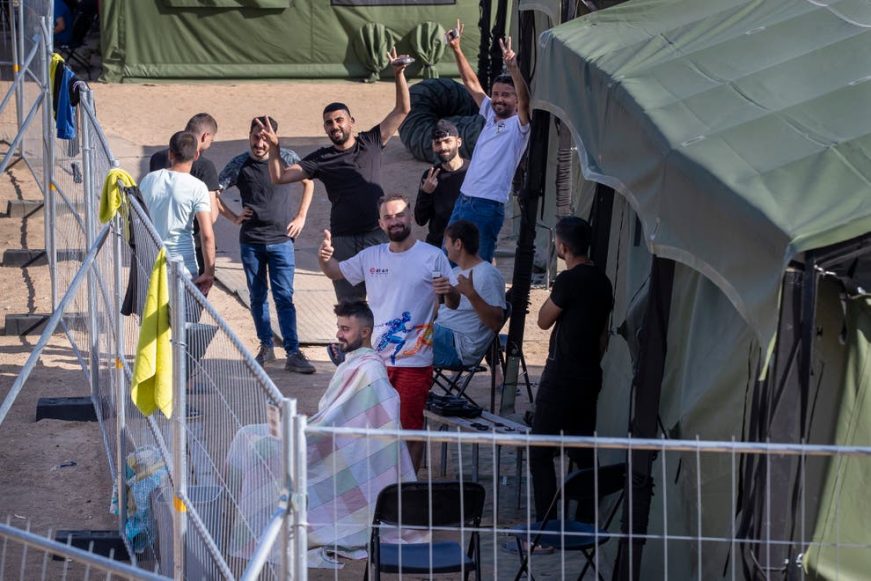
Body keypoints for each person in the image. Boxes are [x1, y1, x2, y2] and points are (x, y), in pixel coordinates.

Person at [226, 300, 416, 554]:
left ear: (365, 332)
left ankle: (262, 525)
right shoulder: (355, 362)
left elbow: (377, 417)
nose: (339, 334)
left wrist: (314, 425)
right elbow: (340, 409)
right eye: (339, 327)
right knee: (248, 434)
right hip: (325, 431)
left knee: (259, 443)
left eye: (346, 328)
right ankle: (249, 516)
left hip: (341, 446)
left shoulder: (370, 369)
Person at [257, 49, 412, 302]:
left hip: (377, 234)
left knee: (384, 299)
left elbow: (403, 109)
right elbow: (280, 177)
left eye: (339, 120)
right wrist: (274, 148)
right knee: (350, 306)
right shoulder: (321, 158)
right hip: (343, 239)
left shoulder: (371, 141)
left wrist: (398, 73)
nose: (335, 126)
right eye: (329, 123)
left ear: (351, 120)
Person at [318, 194, 459, 469]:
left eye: (400, 215)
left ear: (409, 217)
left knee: (409, 429)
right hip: (374, 361)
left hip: (414, 362)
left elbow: (452, 302)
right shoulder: (371, 256)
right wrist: (324, 257)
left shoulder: (433, 256)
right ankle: (378, 485)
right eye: (388, 217)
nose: (395, 221)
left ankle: (407, 490)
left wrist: (450, 292)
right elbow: (335, 272)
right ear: (380, 224)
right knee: (371, 425)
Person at [530, 216, 614, 523]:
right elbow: (603, 337)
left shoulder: (569, 280)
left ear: (563, 247)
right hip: (589, 375)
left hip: (562, 377)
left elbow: (542, 319)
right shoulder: (603, 281)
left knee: (540, 452)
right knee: (583, 451)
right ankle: (586, 522)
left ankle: (548, 528)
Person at [217, 116, 315, 374]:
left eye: (265, 137)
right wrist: (232, 216)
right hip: (252, 243)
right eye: (255, 136)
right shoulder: (239, 164)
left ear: (273, 136)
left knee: (284, 297)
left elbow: (309, 182)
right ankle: (266, 346)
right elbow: (214, 191)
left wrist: (301, 216)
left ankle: (293, 352)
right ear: (249, 135)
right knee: (257, 297)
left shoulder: (287, 157)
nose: (260, 142)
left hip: (282, 241)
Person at [445, 21, 531, 262]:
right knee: (448, 260)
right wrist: (456, 48)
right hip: (464, 199)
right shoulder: (490, 115)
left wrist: (513, 68)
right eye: (495, 94)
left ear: (515, 99)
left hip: (487, 206)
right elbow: (472, 84)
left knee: (477, 266)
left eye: (506, 95)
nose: (498, 99)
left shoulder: (519, 126)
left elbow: (526, 102)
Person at [139, 131, 216, 295]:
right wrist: (209, 272)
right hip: (184, 266)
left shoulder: (148, 180)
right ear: (196, 155)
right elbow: (207, 234)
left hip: (150, 263)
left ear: (170, 154)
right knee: (185, 320)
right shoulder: (197, 187)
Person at [149, 113, 221, 276]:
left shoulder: (157, 159)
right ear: (205, 136)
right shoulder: (205, 167)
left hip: (155, 245)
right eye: (211, 140)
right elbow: (211, 217)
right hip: (191, 250)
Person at [433, 220, 506, 368]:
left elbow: (496, 322)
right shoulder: (455, 272)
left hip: (459, 346)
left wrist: (471, 293)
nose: (445, 247)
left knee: (397, 336)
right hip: (441, 334)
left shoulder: (487, 274)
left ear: (458, 244)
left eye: (447, 241)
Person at [415, 120, 469, 250]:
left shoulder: (474, 171)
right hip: (438, 247)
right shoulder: (430, 176)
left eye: (447, 141)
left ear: (459, 142)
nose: (443, 147)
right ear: (433, 147)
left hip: (467, 247)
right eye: (438, 143)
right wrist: (426, 193)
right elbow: (420, 220)